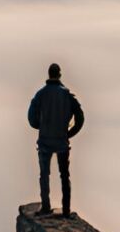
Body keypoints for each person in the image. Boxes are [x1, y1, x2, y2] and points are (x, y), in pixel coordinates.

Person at [28, 63, 84, 217]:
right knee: (64, 175)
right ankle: (66, 210)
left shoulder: (40, 95)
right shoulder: (67, 95)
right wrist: (69, 134)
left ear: (49, 74)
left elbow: (31, 118)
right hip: (61, 142)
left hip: (45, 141)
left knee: (44, 174)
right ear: (59, 75)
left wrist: (42, 126)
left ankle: (46, 207)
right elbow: (80, 118)